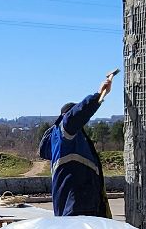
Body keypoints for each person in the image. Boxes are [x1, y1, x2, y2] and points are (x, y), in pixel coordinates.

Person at [38, 71, 116, 218]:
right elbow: (76, 115)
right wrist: (99, 95)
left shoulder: (62, 140)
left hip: (73, 208)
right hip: (78, 209)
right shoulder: (65, 132)